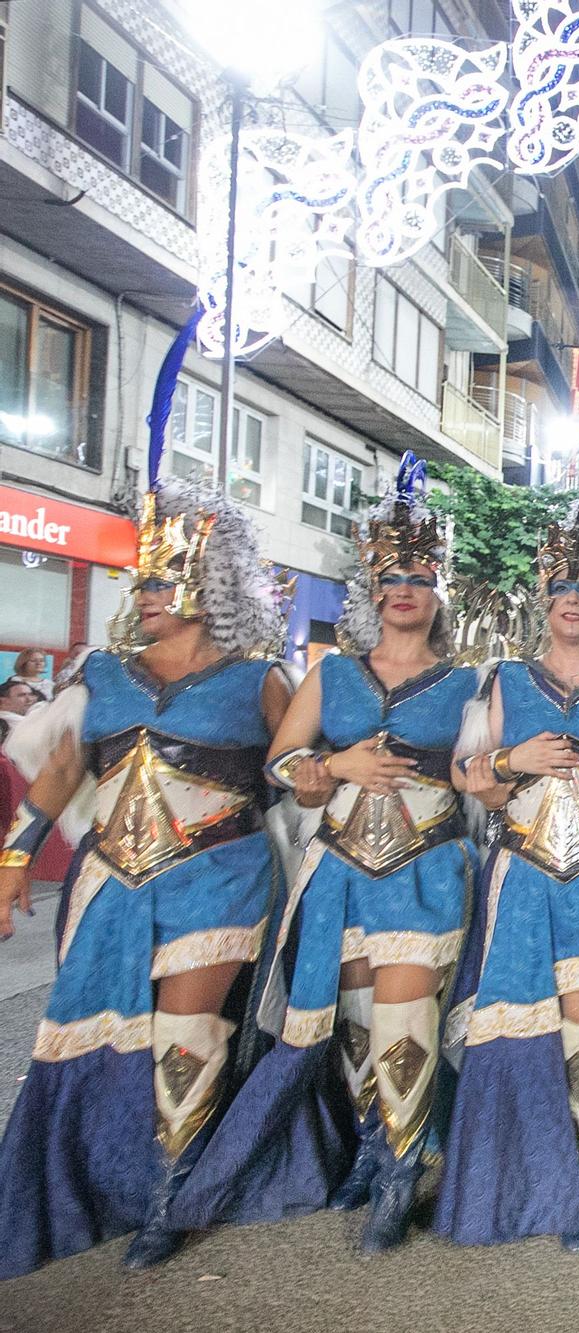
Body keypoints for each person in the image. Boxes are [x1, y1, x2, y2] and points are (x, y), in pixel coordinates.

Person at [0, 314, 292, 1276]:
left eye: (169, 574)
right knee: (85, 1036)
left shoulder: (260, 679)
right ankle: (85, 1180)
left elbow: (303, 768)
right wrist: (11, 864)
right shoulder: (103, 666)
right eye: (145, 574)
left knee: (187, 1032)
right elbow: (61, 771)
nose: (152, 589)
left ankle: (170, 1194)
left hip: (221, 876)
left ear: (212, 579)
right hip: (112, 877)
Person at [167, 454, 479, 1252]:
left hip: (428, 866)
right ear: (371, 590)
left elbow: (486, 769)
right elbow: (279, 763)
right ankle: (372, 1143)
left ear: (437, 586)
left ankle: (404, 1166)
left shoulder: (471, 681)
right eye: (388, 575)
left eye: (416, 572)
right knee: (352, 1020)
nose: (401, 586)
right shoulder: (331, 672)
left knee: (407, 1014)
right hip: (339, 867)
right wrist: (334, 766)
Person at [436, 450, 579, 1250]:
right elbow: (474, 781)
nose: (573, 599)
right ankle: (524, 1168)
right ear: (545, 596)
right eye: (561, 587)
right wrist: (511, 760)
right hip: (526, 873)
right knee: (521, 1026)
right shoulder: (501, 677)